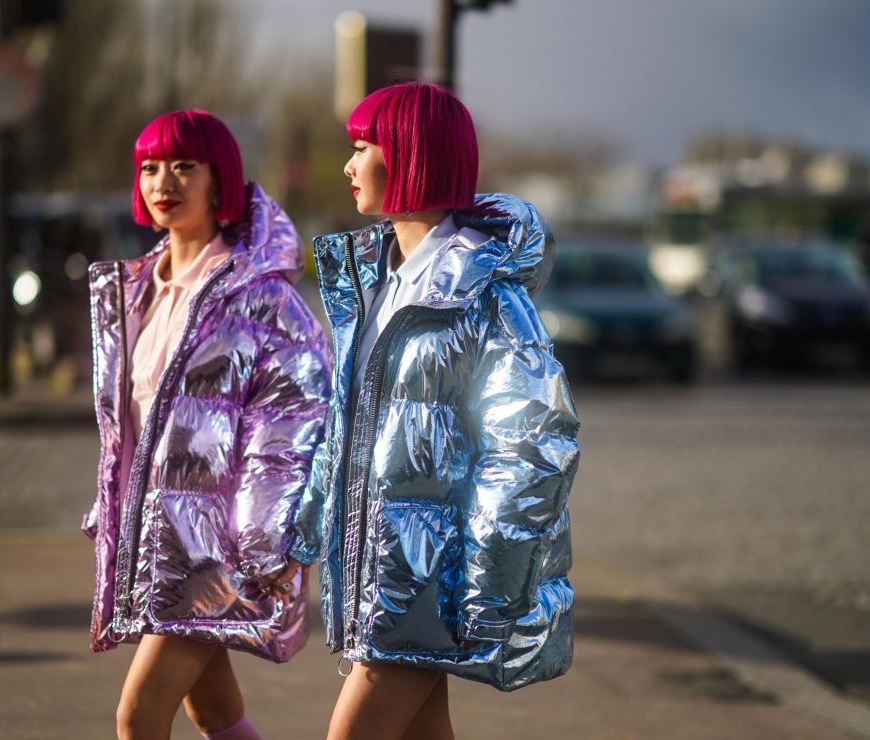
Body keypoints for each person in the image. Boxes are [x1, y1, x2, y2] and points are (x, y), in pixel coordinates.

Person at [301, 82, 579, 739]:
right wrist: (306, 529)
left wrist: (489, 584)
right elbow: (346, 429)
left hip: (433, 579)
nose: (348, 166)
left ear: (409, 154)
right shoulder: (381, 283)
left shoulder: (484, 295)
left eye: (362, 147)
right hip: (386, 574)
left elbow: (531, 444)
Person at [81, 109, 331, 740]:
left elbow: (293, 421)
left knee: (138, 717)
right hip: (157, 544)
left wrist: (268, 541)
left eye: (184, 166)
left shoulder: (261, 298)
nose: (164, 180)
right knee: (213, 711)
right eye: (150, 167)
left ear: (221, 183)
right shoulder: (134, 292)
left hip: (217, 553)